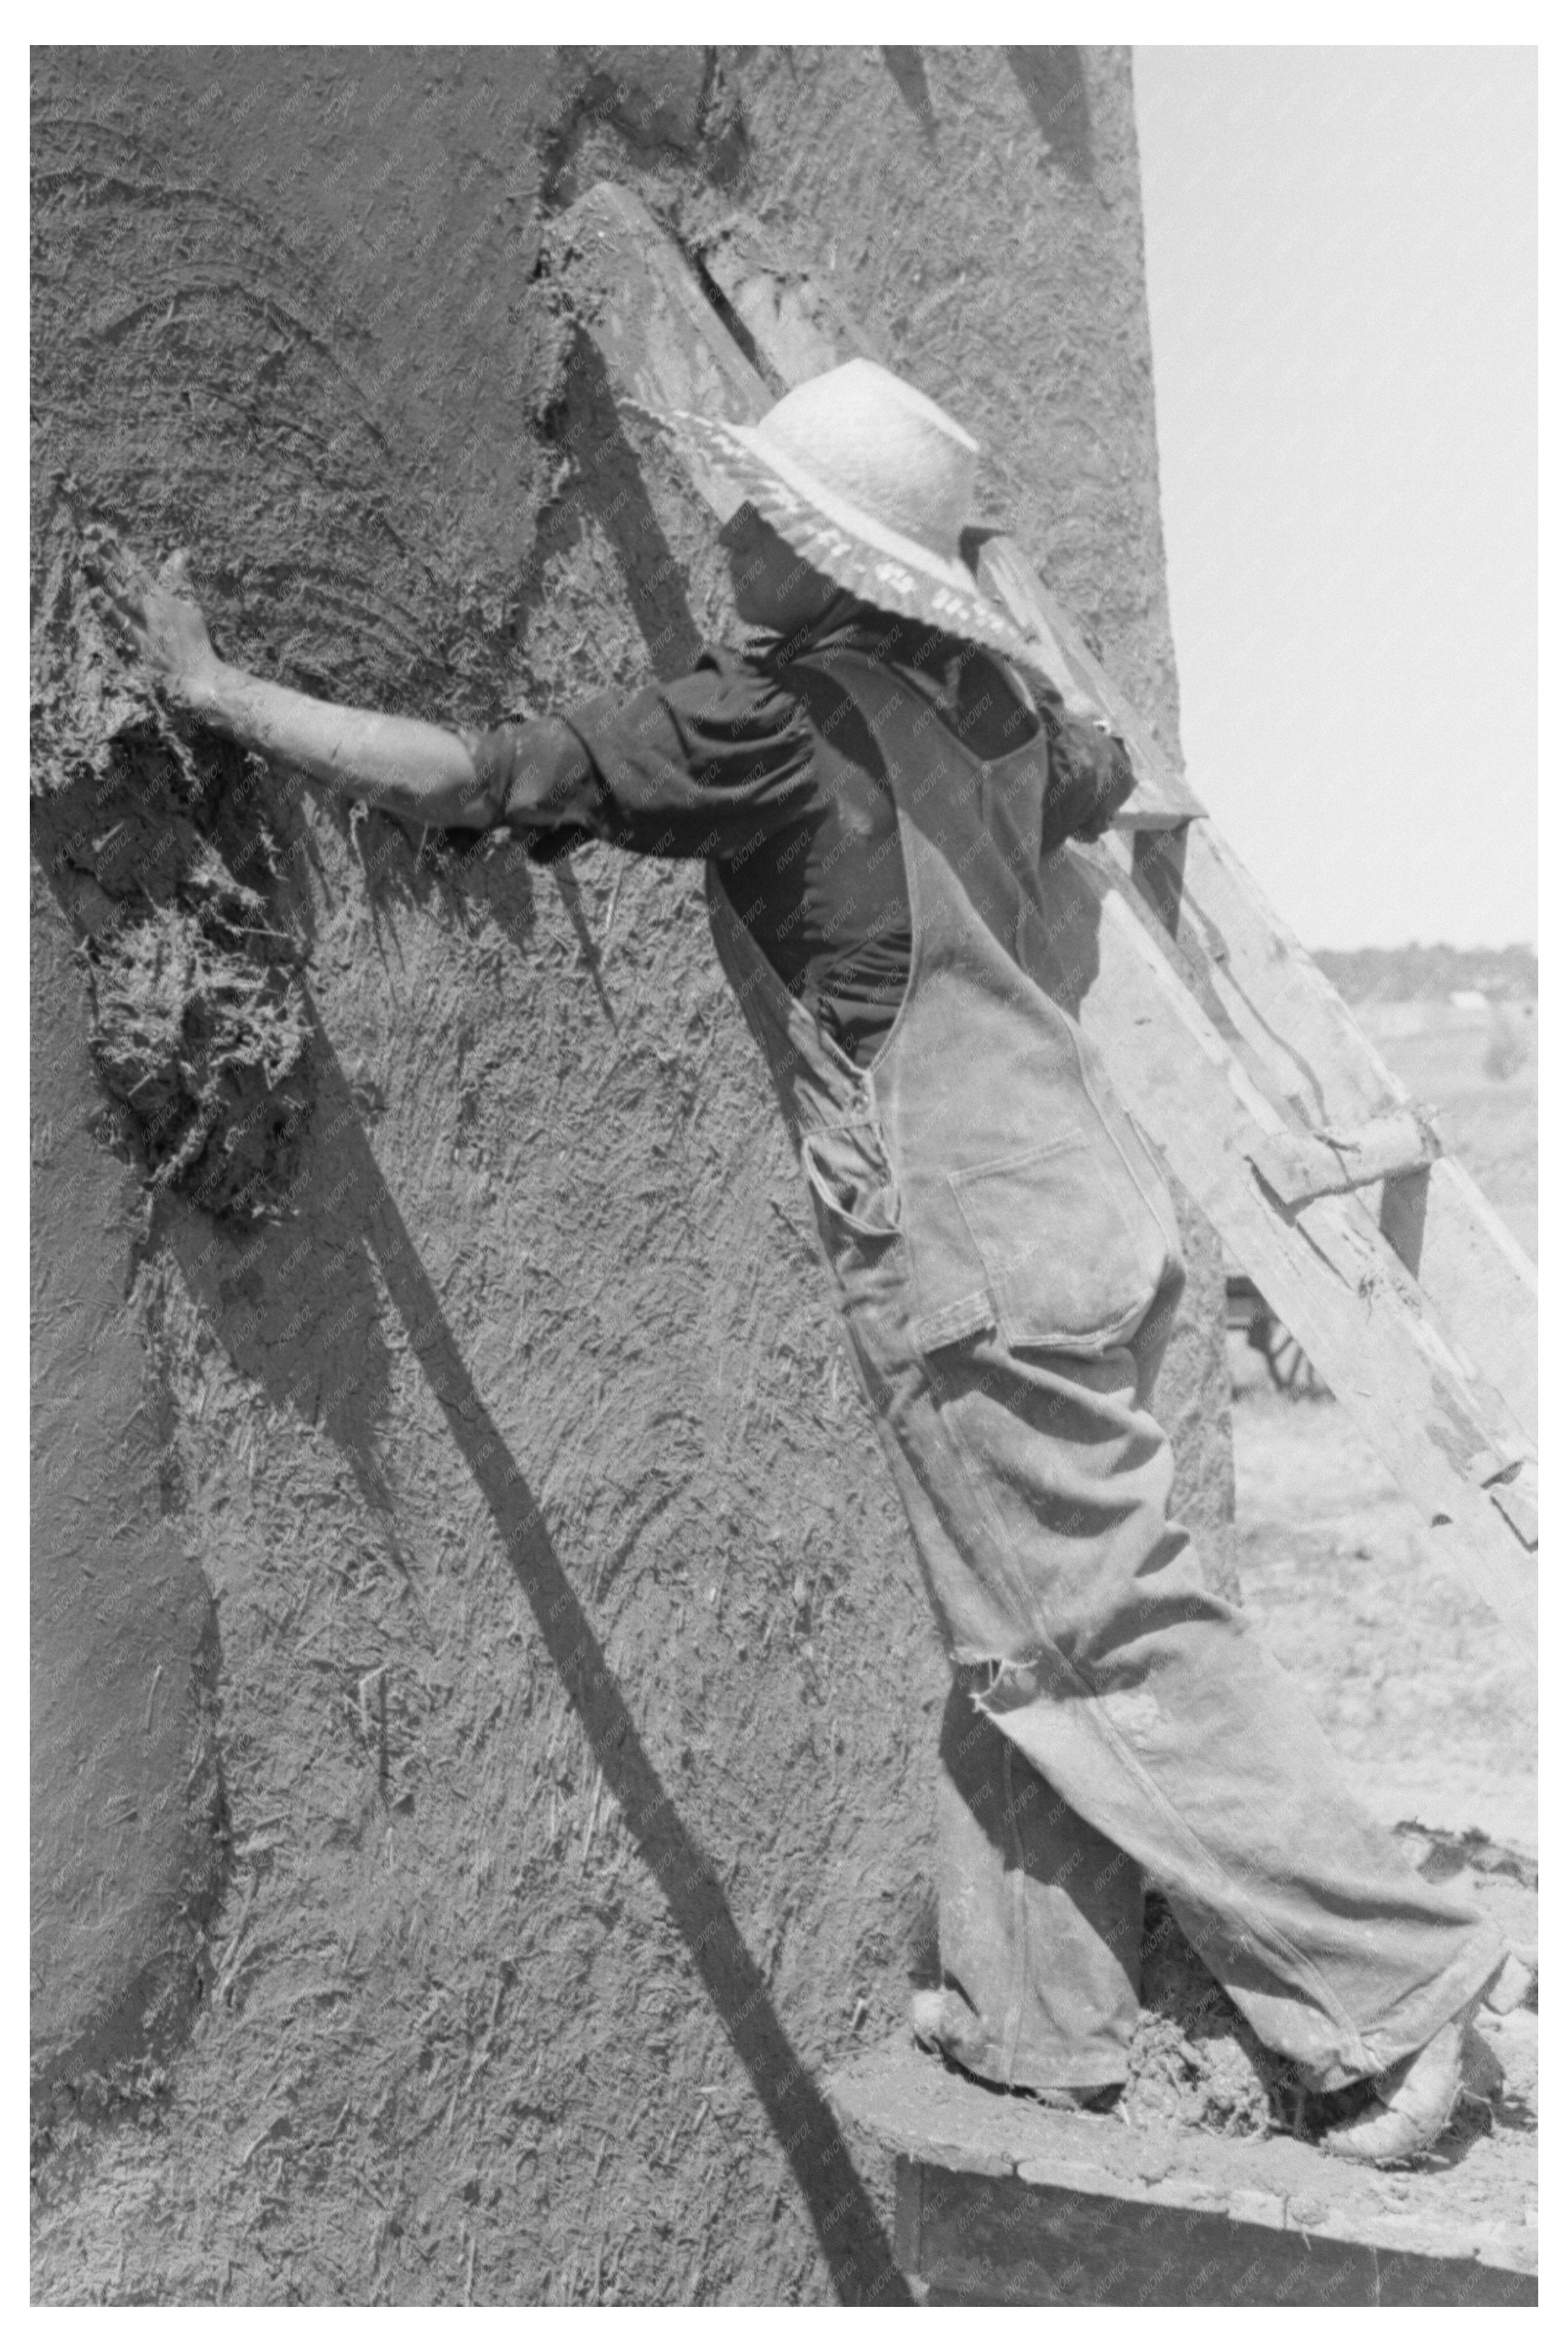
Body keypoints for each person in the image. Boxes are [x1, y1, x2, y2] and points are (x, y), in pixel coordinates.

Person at [88, 356, 1510, 2165]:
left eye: (763, 516)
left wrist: (215, 691)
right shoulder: (993, 701)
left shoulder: (770, 725)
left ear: (834, 560)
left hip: (965, 1232)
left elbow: (472, 776)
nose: (727, 530)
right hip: (1089, 1202)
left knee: (1091, 1644)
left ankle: (1391, 2006)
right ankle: (1035, 2029)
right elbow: (1101, 767)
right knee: (1021, 1613)